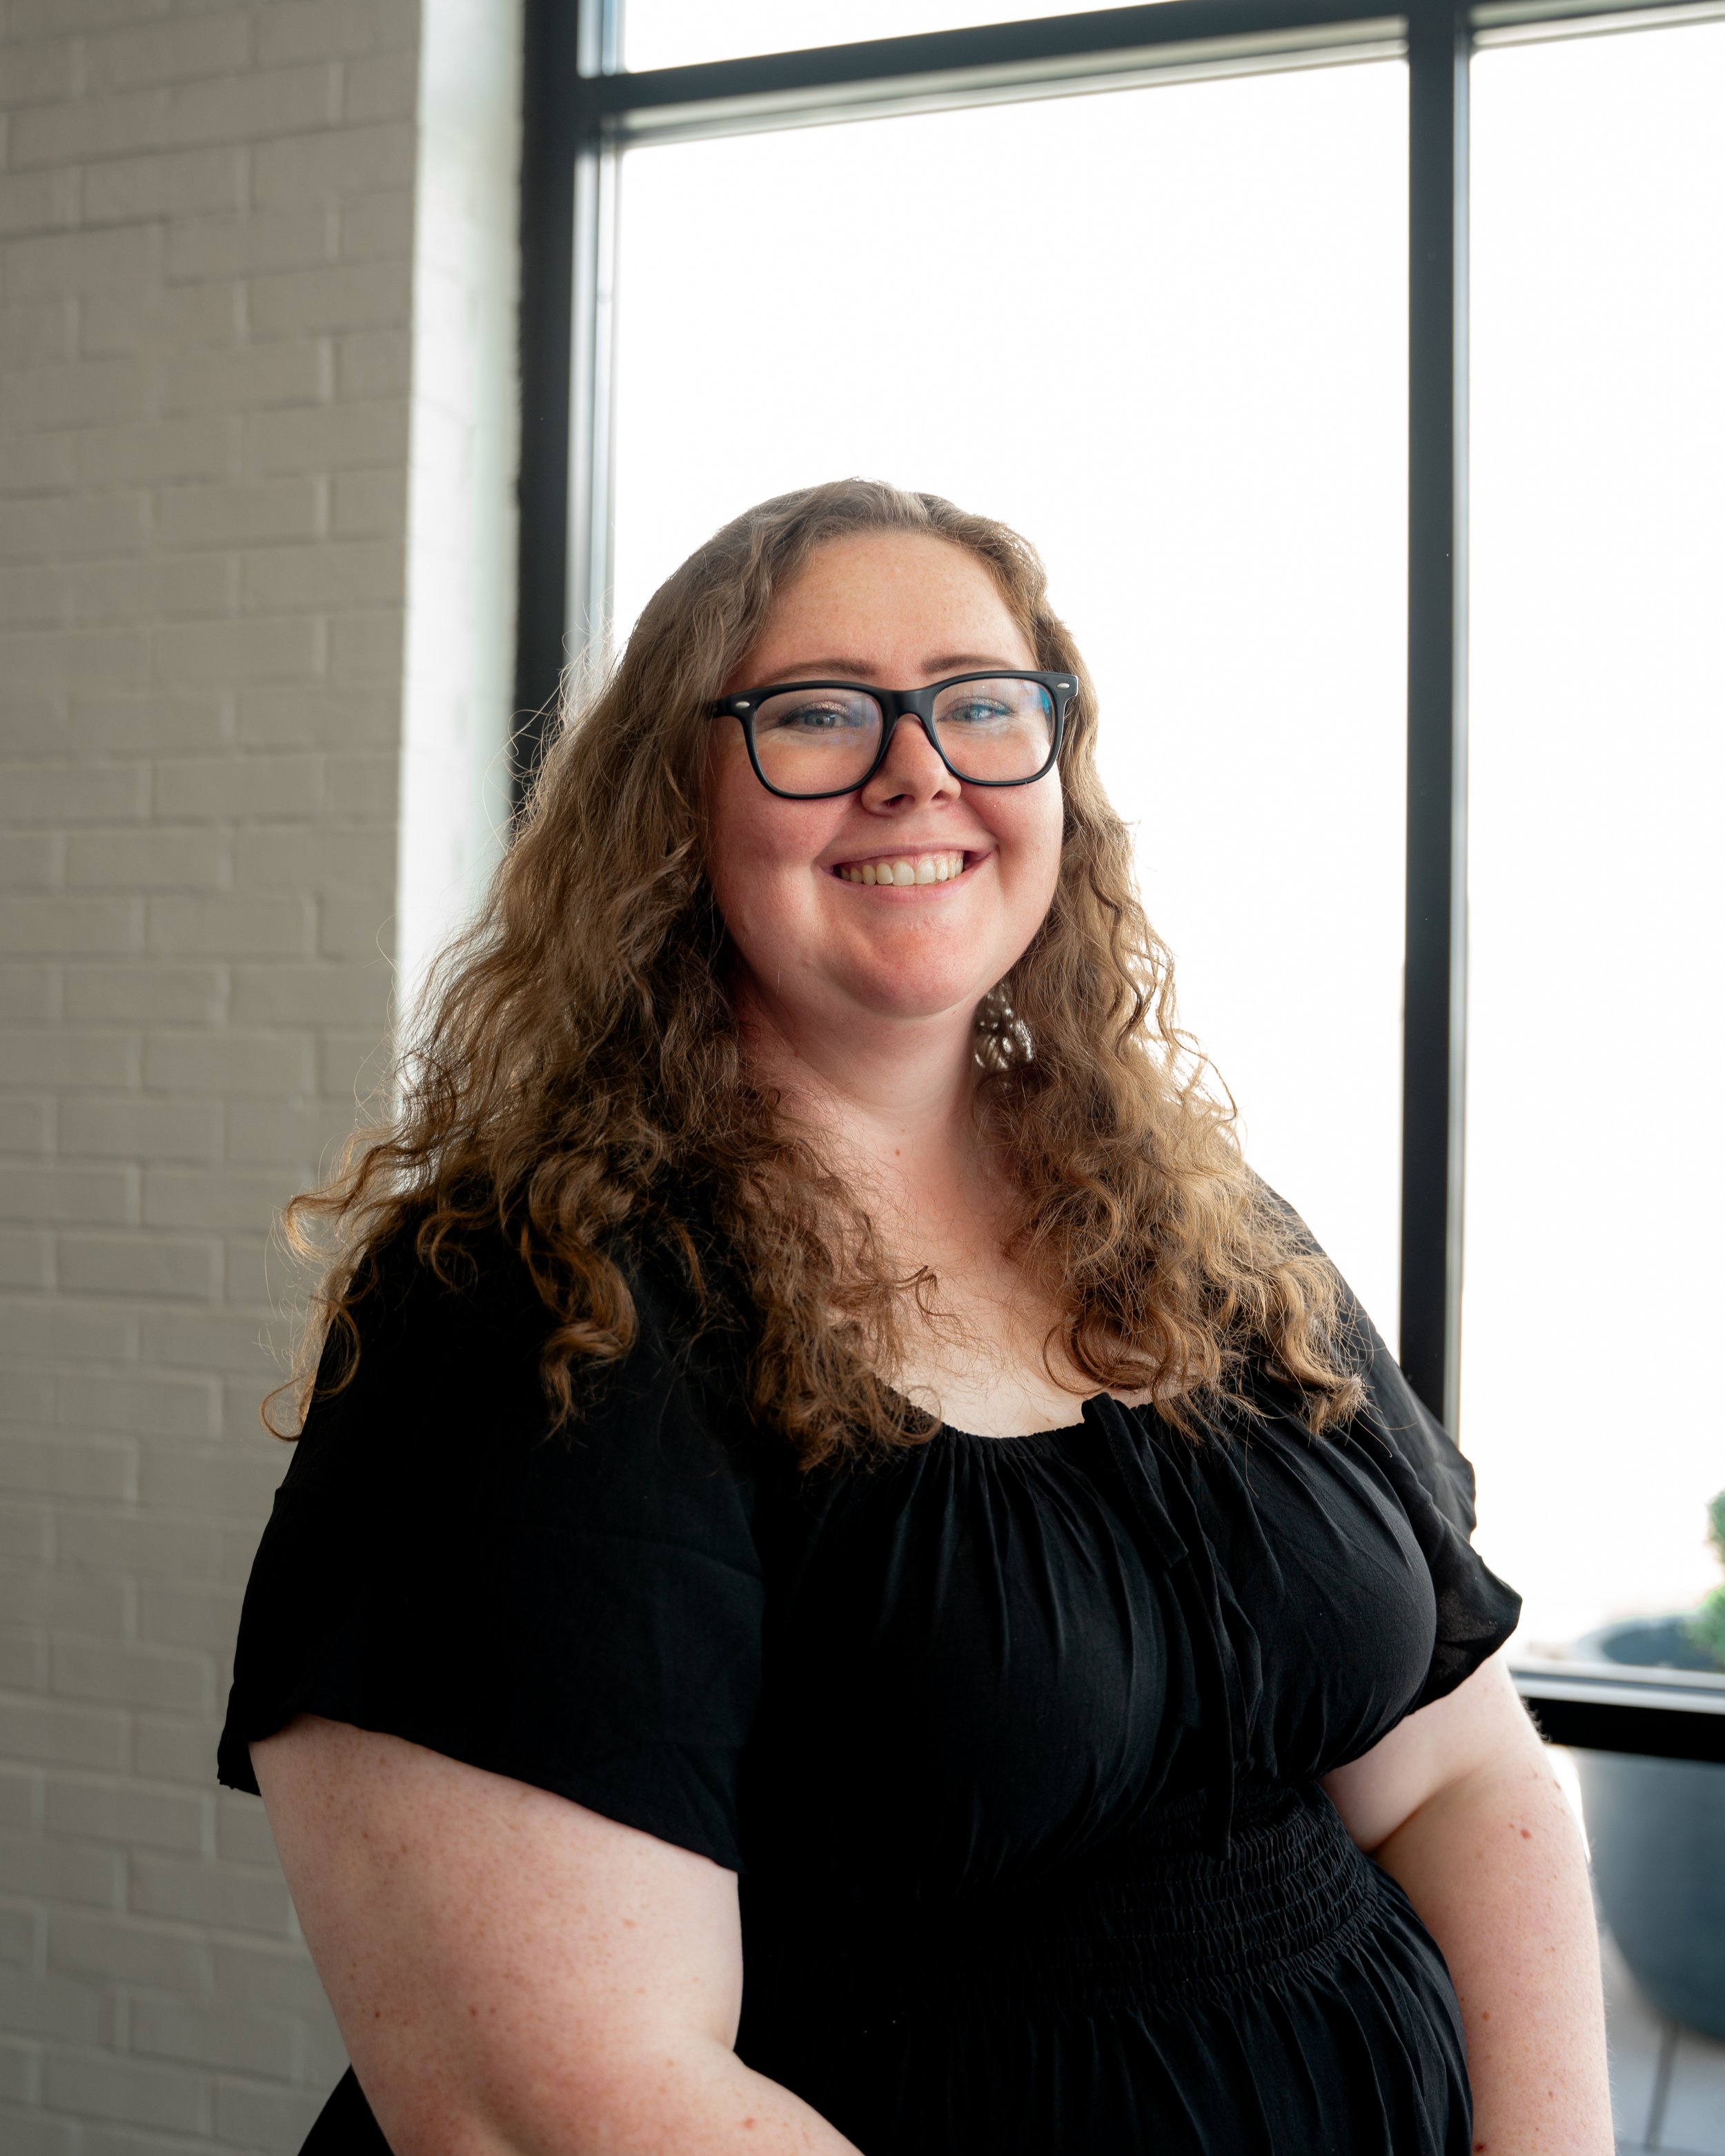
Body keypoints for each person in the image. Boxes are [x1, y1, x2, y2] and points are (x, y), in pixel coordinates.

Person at [220, 479, 1613, 2155]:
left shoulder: (1196, 1228)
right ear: (673, 804)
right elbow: (549, 2107)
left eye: (979, 704)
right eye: (816, 715)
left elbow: (1461, 1778)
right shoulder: (536, 1309)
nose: (918, 769)